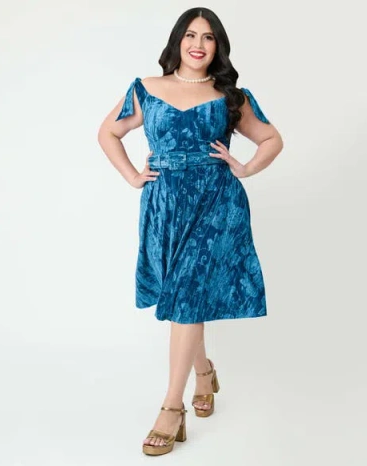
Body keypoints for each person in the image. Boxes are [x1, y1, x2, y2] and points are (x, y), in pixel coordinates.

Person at [97, 6, 283, 456]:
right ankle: (204, 373)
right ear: (177, 41)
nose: (199, 44)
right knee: (183, 297)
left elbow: (272, 139)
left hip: (217, 204)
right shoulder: (146, 89)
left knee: (185, 297)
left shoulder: (230, 96)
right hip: (164, 206)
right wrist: (132, 176)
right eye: (191, 35)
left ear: (218, 47)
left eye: (209, 37)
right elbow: (107, 133)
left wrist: (243, 168)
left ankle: (171, 408)